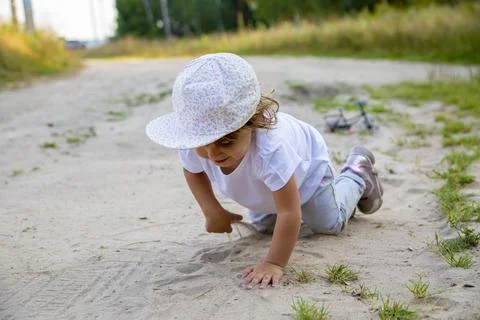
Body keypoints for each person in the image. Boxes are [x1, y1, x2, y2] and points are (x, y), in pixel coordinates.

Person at [145, 53, 383, 289]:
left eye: (225, 141)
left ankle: (356, 173)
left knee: (328, 223)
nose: (212, 152)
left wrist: (274, 262)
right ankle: (281, 204)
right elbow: (192, 171)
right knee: (266, 228)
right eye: (203, 142)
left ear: (253, 121)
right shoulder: (195, 140)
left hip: (307, 173)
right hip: (266, 190)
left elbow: (289, 212)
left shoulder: (270, 151)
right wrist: (212, 210)